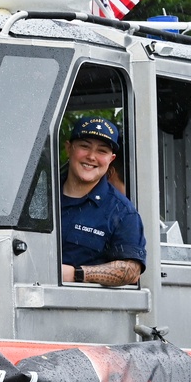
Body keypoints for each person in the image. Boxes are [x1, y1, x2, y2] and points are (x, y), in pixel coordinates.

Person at [60, 116, 146, 287]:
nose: (92, 156)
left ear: (111, 159)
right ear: (69, 148)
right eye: (84, 146)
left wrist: (76, 274)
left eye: (102, 151)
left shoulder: (122, 212)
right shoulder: (37, 193)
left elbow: (132, 271)